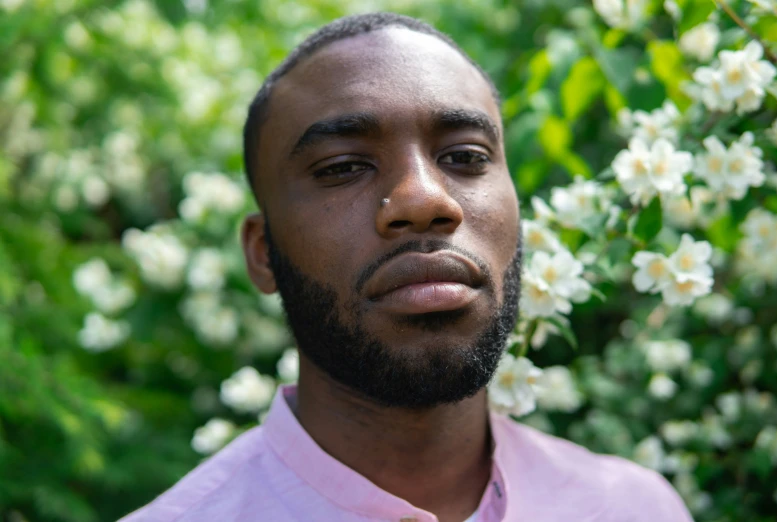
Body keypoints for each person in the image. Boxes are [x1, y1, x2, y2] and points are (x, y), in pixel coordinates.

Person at [121, 12, 693, 522]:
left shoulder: (636, 508)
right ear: (263, 252)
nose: (424, 200)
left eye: (465, 157)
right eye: (344, 167)